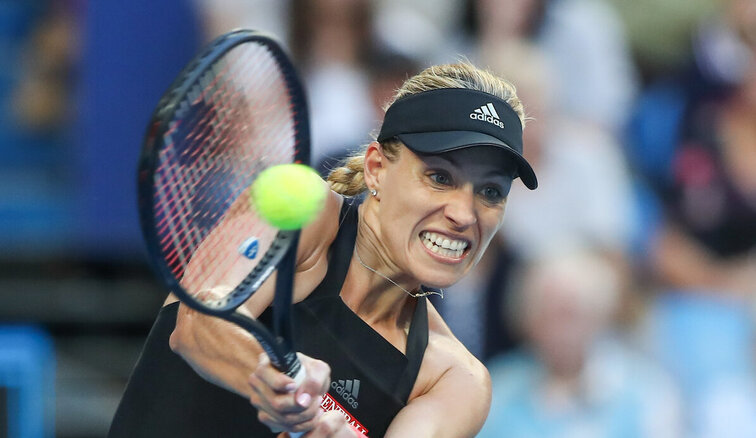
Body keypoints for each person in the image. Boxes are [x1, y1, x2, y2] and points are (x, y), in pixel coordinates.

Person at [109, 61, 538, 437]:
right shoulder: (306, 216)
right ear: (375, 169)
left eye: (491, 191)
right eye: (440, 178)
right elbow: (200, 322)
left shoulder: (452, 380)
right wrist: (271, 376)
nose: (464, 213)